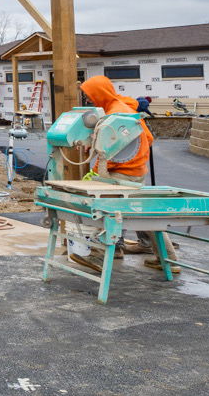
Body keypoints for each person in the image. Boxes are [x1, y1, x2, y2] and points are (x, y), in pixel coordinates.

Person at [72, 75, 173, 273]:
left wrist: (95, 172)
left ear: (99, 93)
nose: (89, 100)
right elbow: (149, 138)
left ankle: (99, 256)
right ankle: (168, 259)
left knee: (106, 211)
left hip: (123, 174)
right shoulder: (121, 109)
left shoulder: (116, 114)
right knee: (142, 215)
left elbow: (109, 151)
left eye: (91, 95)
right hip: (133, 171)